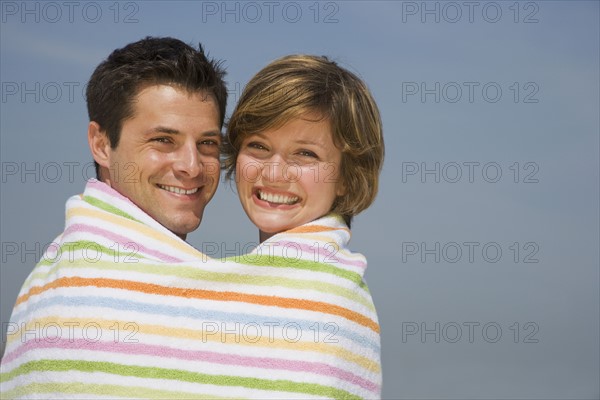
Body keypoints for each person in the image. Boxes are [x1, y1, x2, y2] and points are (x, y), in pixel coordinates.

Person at [222, 54, 385, 398]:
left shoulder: (324, 296)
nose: (275, 173)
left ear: (347, 176)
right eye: (258, 146)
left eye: (305, 154)